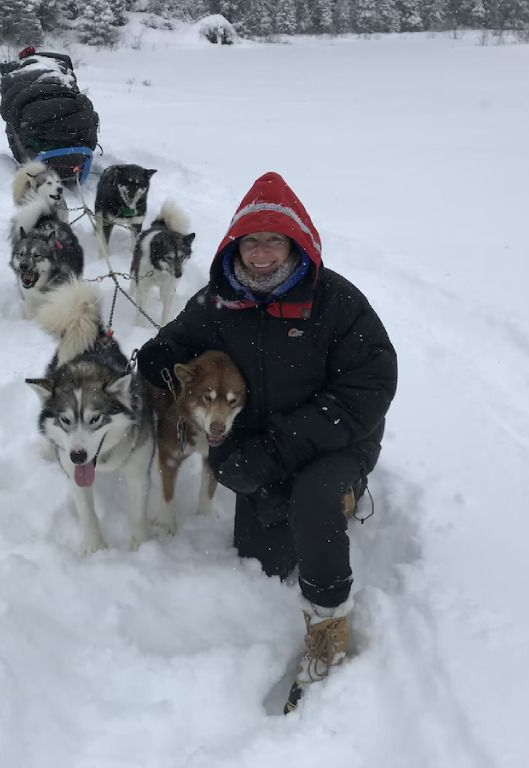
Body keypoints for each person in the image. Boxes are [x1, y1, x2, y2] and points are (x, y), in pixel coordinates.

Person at [136, 172, 397, 714]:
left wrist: (280, 447)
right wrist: (158, 364)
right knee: (261, 557)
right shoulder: (220, 299)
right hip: (259, 445)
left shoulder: (336, 302)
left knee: (314, 498)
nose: (260, 254)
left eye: (273, 241)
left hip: (335, 440)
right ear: (235, 244)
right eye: (250, 242)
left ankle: (329, 629)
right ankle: (294, 511)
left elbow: (370, 386)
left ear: (296, 244)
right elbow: (170, 346)